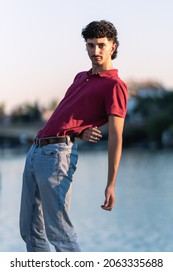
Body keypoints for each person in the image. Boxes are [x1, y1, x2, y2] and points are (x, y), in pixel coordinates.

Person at [19, 20, 128, 252]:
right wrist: (80, 130)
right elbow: (69, 116)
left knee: (59, 232)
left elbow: (116, 136)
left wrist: (111, 183)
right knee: (29, 229)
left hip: (56, 156)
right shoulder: (81, 77)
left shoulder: (115, 86)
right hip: (36, 150)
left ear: (113, 47)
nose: (95, 51)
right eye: (90, 45)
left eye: (101, 45)